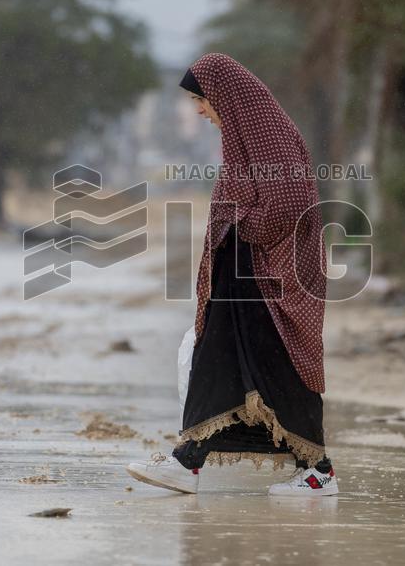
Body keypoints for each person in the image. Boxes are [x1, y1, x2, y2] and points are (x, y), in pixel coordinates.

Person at [126, 52, 336, 497]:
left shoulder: (270, 136)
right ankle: (189, 460)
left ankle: (318, 471)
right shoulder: (245, 138)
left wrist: (240, 225)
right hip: (244, 275)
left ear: (226, 96)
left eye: (201, 99)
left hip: (268, 276)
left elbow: (288, 203)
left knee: (277, 366)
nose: (200, 110)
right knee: (221, 363)